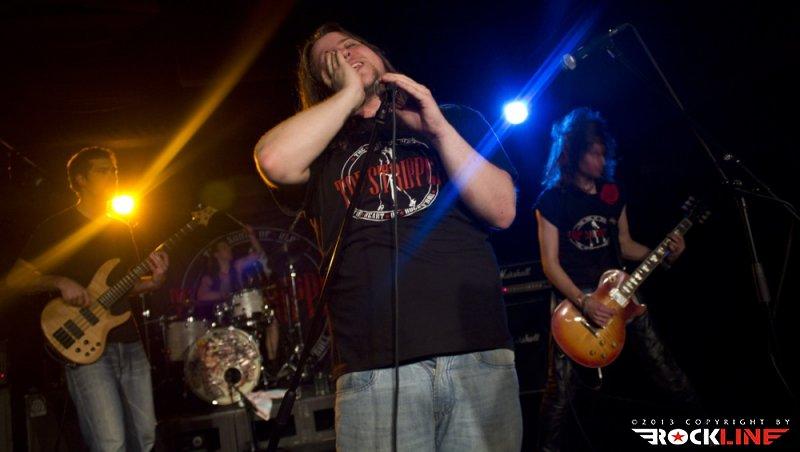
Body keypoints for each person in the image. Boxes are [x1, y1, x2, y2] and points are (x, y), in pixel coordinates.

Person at [254, 23, 522, 451]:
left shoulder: (451, 120)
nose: (346, 54)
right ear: (323, 81)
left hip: (478, 354)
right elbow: (272, 160)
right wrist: (350, 95)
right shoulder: (323, 149)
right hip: (374, 371)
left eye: (351, 44)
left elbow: (503, 210)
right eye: (331, 58)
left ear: (377, 53)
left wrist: (437, 130)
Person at [534, 108, 697, 451]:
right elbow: (550, 265)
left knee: (662, 363)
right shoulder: (551, 201)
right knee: (560, 389)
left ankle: (700, 426)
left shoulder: (611, 193)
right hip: (575, 302)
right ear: (573, 152)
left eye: (603, 152)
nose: (601, 160)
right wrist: (584, 301)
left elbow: (624, 244)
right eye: (593, 152)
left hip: (620, 293)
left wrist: (665, 253)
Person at [5, 146, 168, 452]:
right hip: (86, 348)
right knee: (111, 443)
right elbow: (14, 281)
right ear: (80, 180)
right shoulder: (57, 227)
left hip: (128, 341)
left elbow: (124, 286)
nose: (113, 176)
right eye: (102, 171)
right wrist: (59, 281)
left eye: (114, 171)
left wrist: (154, 282)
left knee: (145, 437)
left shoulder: (121, 228)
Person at [196, 224, 279, 361]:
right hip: (225, 319)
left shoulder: (237, 266)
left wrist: (251, 235)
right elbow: (201, 295)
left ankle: (272, 361)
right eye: (224, 247)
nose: (229, 249)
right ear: (216, 254)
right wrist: (222, 295)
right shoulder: (210, 276)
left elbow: (259, 254)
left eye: (228, 247)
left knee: (271, 321)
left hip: (243, 312)